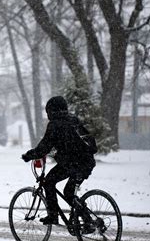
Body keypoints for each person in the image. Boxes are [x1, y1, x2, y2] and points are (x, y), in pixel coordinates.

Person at [21, 96, 96, 225]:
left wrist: (29, 155)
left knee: (48, 182)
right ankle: (89, 221)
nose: (48, 115)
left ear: (52, 111)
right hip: (86, 163)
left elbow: (44, 146)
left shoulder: (55, 124)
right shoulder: (73, 120)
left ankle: (53, 215)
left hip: (72, 163)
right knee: (69, 193)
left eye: (48, 112)